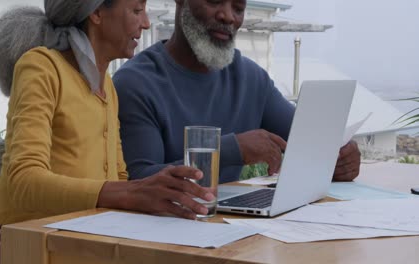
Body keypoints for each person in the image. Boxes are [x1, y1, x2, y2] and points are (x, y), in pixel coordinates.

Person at [0, 1, 215, 263]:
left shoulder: (107, 85)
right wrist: (130, 193)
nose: (145, 23)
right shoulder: (41, 67)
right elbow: (24, 181)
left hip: (82, 239)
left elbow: (118, 177)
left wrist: (154, 196)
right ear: (96, 12)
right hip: (24, 246)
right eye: (136, 10)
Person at [113, 0, 361, 184]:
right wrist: (231, 150)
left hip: (233, 233)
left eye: (239, 8)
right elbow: (139, 181)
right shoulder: (135, 83)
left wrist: (340, 157)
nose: (228, 16)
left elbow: (311, 140)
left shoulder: (250, 79)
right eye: (214, 1)